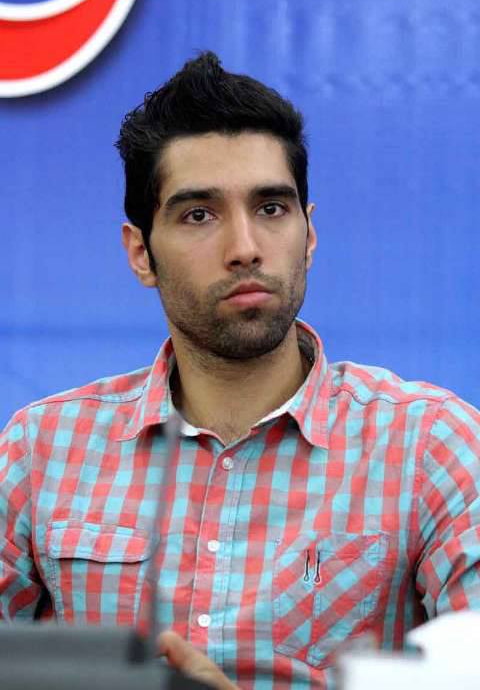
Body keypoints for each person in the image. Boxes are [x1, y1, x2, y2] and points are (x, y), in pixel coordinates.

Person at [0, 52, 479, 690]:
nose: (245, 248)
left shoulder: (430, 446)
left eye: (271, 208)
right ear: (140, 253)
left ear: (310, 235)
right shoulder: (40, 450)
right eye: (199, 214)